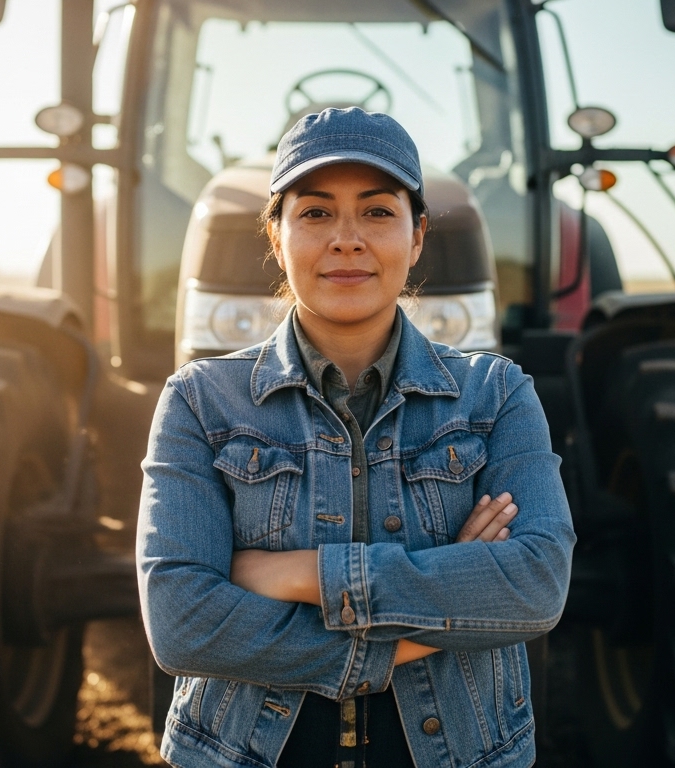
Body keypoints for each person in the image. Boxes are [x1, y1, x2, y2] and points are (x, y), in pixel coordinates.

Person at [137, 107, 575, 768]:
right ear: (277, 237)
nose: (347, 239)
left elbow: (535, 584)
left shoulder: (499, 394)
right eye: (314, 213)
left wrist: (292, 574)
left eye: (376, 212)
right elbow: (182, 623)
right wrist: (434, 610)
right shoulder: (198, 401)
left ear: (417, 234)